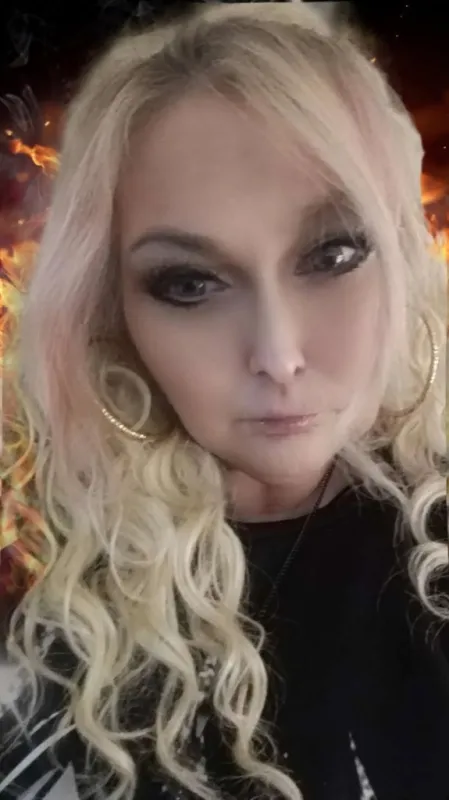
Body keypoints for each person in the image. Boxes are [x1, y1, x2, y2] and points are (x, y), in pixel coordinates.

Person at [0, 2, 447, 799]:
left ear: (398, 257)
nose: (277, 356)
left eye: (332, 253)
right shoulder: (53, 613)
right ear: (113, 314)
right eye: (189, 283)